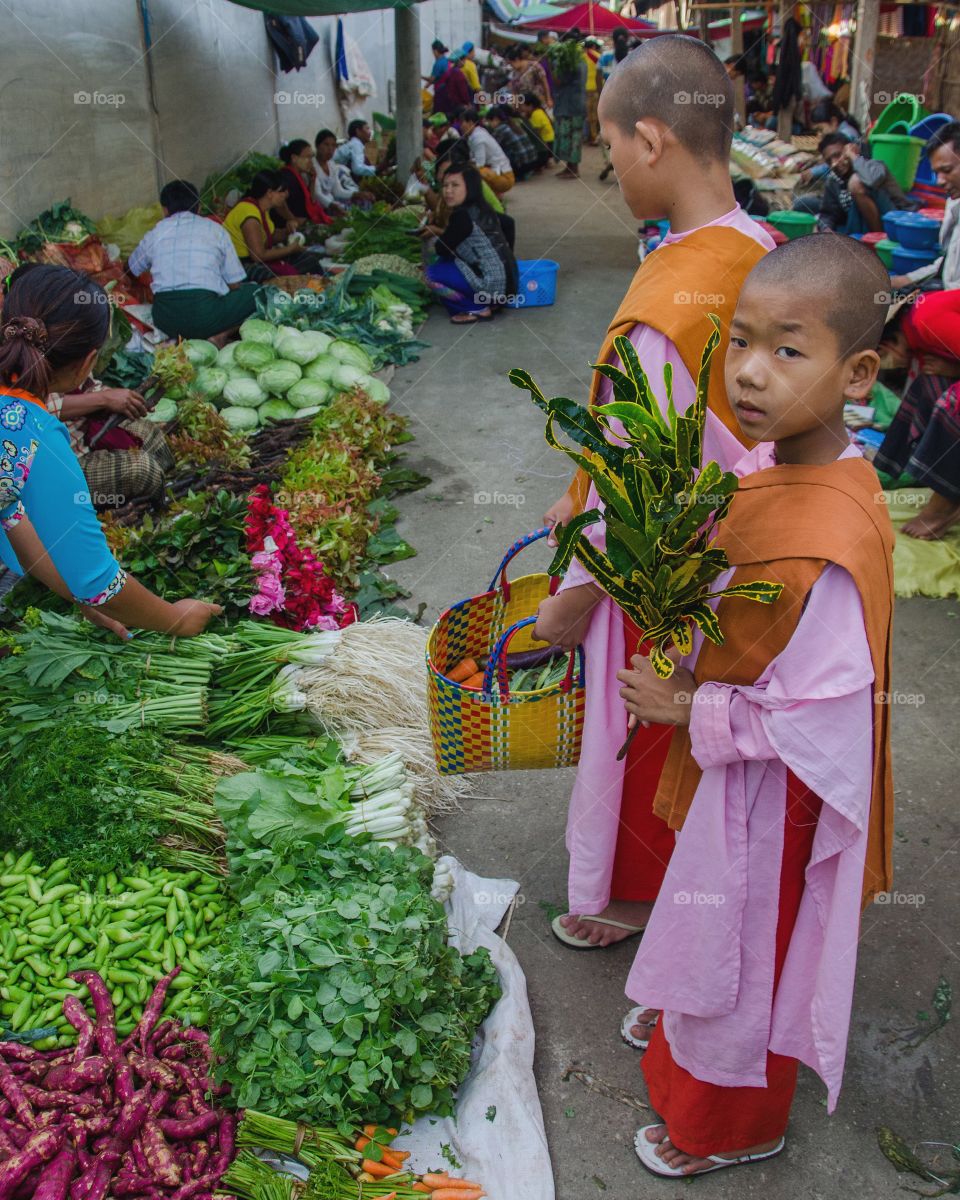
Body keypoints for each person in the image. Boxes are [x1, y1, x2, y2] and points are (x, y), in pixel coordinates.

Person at [624, 235, 894, 1177]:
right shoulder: (771, 466)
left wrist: (687, 702)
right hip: (729, 772)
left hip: (774, 802)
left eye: (789, 349)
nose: (748, 372)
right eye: (739, 340)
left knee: (747, 952)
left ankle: (730, 1125)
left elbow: (819, 724)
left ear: (858, 372)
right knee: (707, 929)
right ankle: (680, 1046)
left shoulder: (832, 529)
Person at [531, 36, 775, 967]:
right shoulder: (754, 249)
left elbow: (648, 488)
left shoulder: (677, 286)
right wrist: (578, 486)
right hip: (744, 563)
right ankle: (659, 903)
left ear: (651, 139)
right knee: (699, 747)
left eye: (610, 145)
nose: (610, 166)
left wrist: (577, 597)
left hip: (665, 572)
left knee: (652, 743)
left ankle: (655, 919)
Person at [0, 264, 221, 637]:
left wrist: (76, 598)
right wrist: (176, 621)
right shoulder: (33, 434)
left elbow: (11, 515)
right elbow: (99, 583)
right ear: (87, 362)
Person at [127, 180, 260, 341]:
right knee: (256, 293)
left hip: (165, 320)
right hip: (205, 316)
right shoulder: (215, 230)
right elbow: (234, 284)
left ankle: (210, 333)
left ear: (164, 210)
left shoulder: (156, 232)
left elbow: (130, 268)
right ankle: (220, 335)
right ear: (199, 207)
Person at [424, 165, 517, 325]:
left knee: (429, 275)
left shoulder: (462, 216)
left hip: (493, 287)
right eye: (445, 185)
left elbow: (441, 249)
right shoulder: (482, 207)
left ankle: (476, 309)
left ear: (470, 187)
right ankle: (490, 303)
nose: (448, 191)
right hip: (509, 284)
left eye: (455, 185)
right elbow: (509, 224)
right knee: (446, 263)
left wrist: (436, 231)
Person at [222, 171, 324, 280]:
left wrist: (287, 231)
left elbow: (269, 236)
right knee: (280, 277)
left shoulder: (261, 209)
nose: (286, 194)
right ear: (269, 193)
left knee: (309, 260)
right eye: (282, 191)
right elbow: (258, 256)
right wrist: (290, 249)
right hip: (240, 265)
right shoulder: (249, 215)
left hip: (255, 259)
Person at [817, 133, 912, 234]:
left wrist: (853, 156)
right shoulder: (833, 181)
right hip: (859, 227)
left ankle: (876, 238)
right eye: (829, 161)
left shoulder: (874, 165)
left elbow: (870, 180)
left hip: (895, 222)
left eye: (837, 155)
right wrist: (826, 229)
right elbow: (827, 214)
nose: (834, 163)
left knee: (855, 182)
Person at [552, 35, 588, 179]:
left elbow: (559, 81)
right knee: (575, 136)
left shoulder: (569, 63)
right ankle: (571, 167)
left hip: (568, 105)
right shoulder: (582, 61)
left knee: (569, 136)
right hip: (578, 103)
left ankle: (572, 168)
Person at [458, 107, 515, 196]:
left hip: (505, 178)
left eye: (462, 123)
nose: (461, 126)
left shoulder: (478, 138)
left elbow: (480, 165)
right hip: (499, 172)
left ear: (470, 123)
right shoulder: (476, 134)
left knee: (475, 171)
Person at [278, 139, 333, 228]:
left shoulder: (299, 176)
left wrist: (312, 181)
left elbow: (312, 201)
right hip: (290, 228)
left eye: (312, 157)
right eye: (307, 157)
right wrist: (292, 219)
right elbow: (279, 202)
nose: (311, 162)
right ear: (294, 158)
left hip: (305, 222)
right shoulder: (286, 176)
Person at [486, 104, 539, 181]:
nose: (490, 125)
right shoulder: (513, 123)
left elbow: (490, 147)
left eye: (489, 122)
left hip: (521, 165)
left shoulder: (501, 129)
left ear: (495, 119)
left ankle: (516, 174)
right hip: (533, 161)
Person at [313, 128, 359, 214]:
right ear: (317, 146)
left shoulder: (331, 165)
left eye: (333, 145)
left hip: (332, 204)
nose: (330, 149)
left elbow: (337, 191)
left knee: (362, 203)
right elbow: (317, 194)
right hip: (320, 208)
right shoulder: (312, 166)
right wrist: (332, 205)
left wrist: (356, 194)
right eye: (326, 144)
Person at [518, 97, 554, 170]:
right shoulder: (539, 111)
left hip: (547, 142)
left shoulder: (536, 114)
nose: (521, 108)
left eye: (523, 106)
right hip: (550, 140)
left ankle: (544, 160)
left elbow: (535, 132)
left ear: (530, 106)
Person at [511, 43, 551, 108]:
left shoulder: (533, 65)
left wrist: (548, 99)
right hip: (526, 104)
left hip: (538, 98)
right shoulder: (515, 73)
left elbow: (544, 82)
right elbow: (514, 90)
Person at [584, 37, 603, 145]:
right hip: (596, 88)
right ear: (594, 46)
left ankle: (590, 136)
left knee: (588, 115)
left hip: (585, 89)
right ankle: (595, 137)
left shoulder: (580, 57)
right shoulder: (597, 56)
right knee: (595, 114)